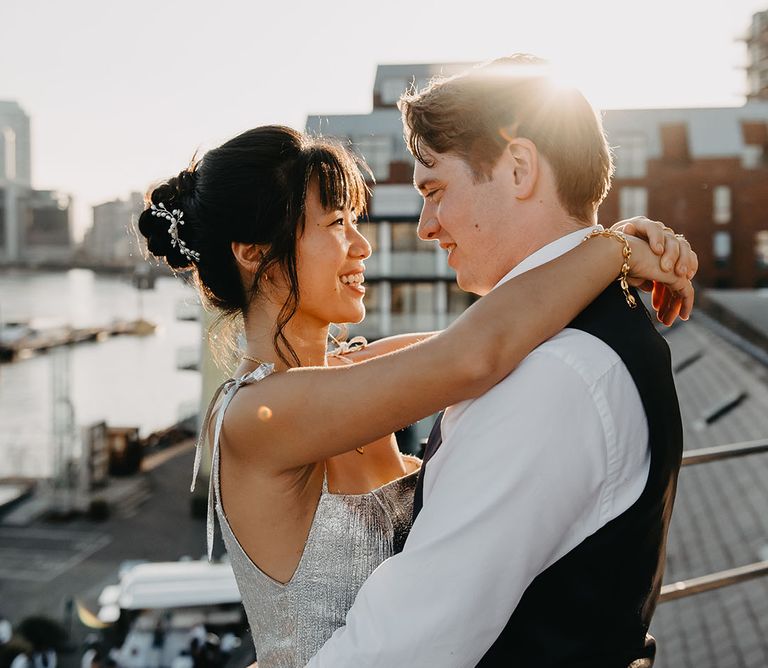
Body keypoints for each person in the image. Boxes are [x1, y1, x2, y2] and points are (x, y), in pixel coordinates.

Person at [138, 124, 694, 668]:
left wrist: (607, 251)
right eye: (335, 223)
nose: (362, 245)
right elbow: (474, 354)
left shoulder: (356, 376)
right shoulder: (255, 416)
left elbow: (520, 327)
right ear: (254, 253)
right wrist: (612, 250)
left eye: (355, 220)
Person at [304, 56, 691, 668]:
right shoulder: (580, 331)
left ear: (518, 168)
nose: (426, 226)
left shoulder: (553, 374)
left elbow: (403, 648)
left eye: (434, 190)